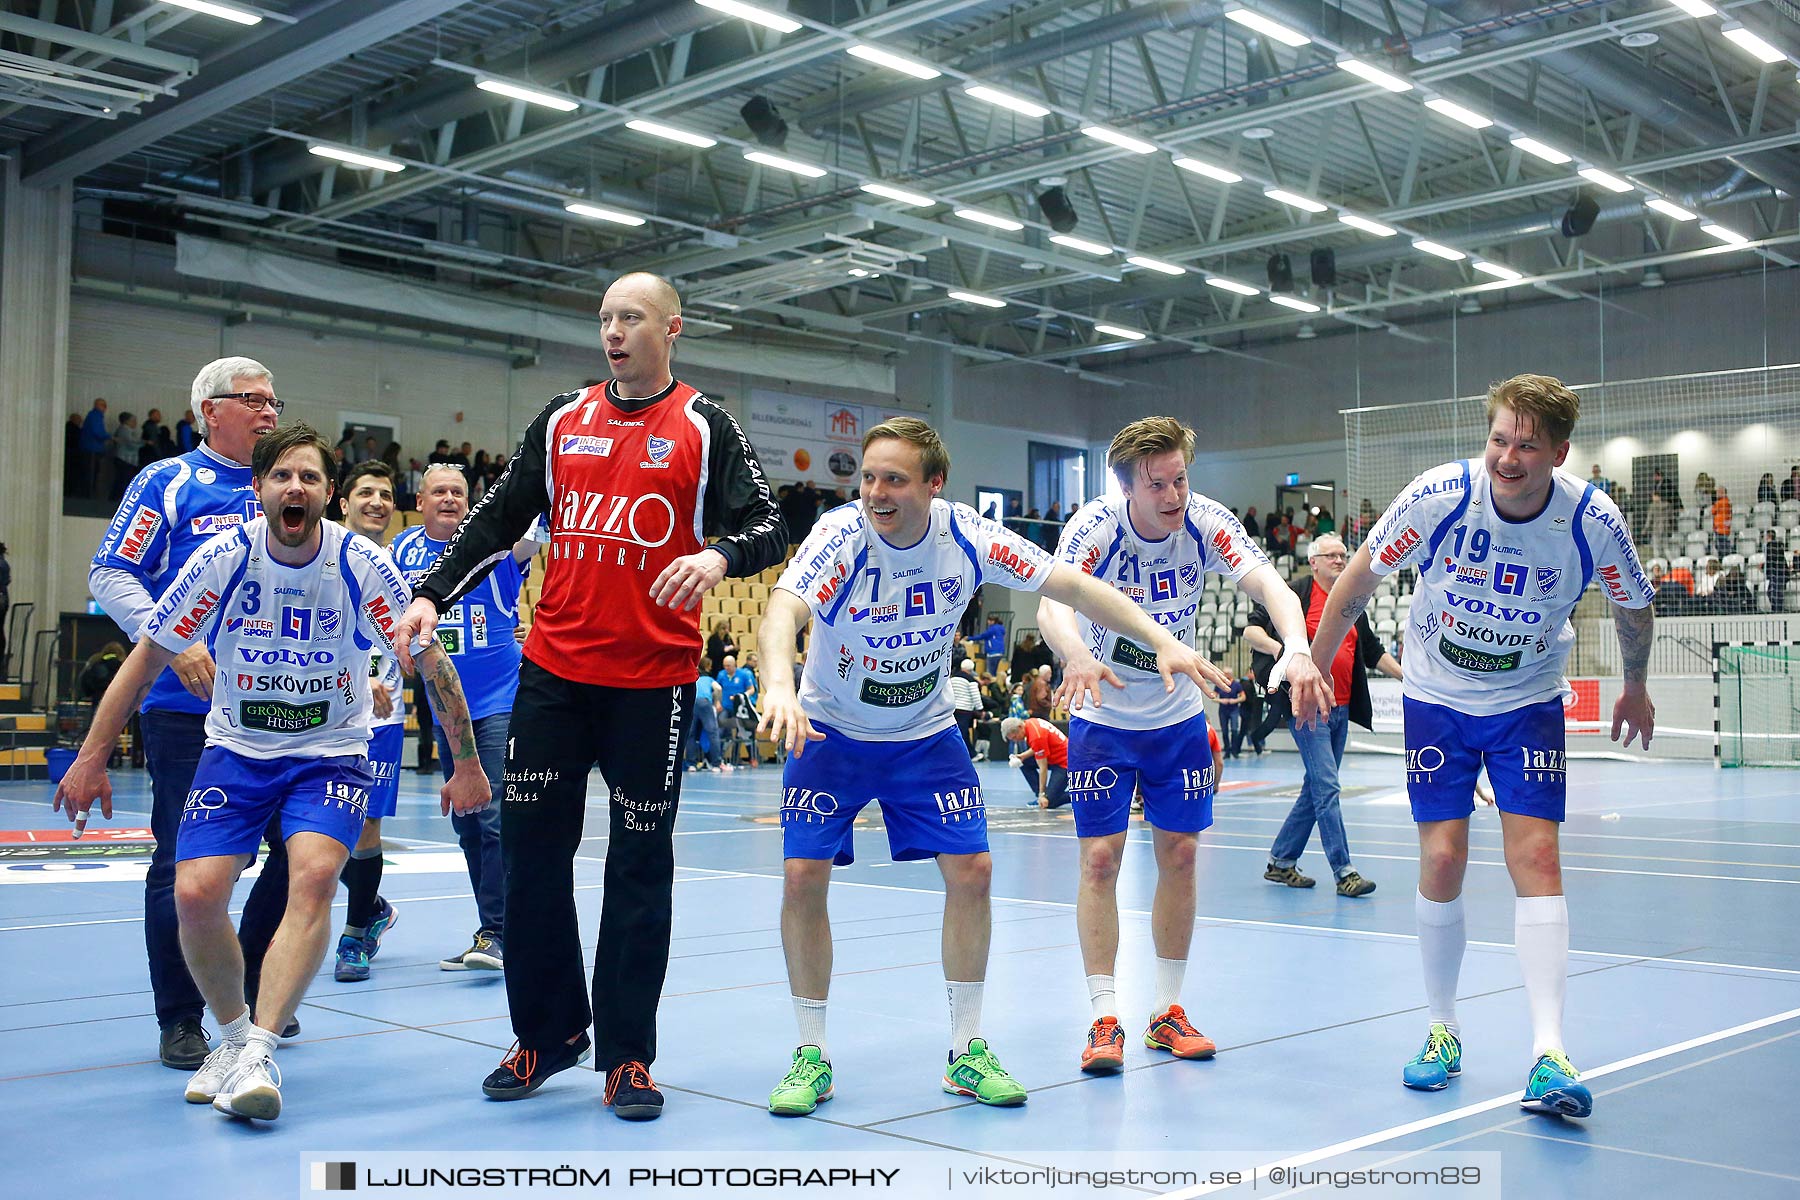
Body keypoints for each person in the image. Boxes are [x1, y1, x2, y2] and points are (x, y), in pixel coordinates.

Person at [391, 271, 785, 1120]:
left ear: (670, 328)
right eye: (605, 317)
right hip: (556, 677)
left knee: (639, 867)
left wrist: (718, 557)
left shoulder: (704, 425)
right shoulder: (564, 419)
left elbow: (770, 524)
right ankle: (545, 1035)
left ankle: (629, 1056)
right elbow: (496, 517)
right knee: (531, 859)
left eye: (631, 317)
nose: (614, 330)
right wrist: (431, 591)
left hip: (655, 687)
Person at [755, 415, 1220, 1117]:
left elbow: (1078, 588)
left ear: (933, 484)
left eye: (894, 479)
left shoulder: (966, 535)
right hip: (833, 730)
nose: (876, 493)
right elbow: (780, 612)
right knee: (801, 876)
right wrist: (779, 685)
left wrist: (1162, 641)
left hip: (924, 732)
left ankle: (966, 1049)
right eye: (869, 477)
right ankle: (810, 1053)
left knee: (974, 872)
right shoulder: (842, 534)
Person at [56, 423, 490, 1122]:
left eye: (310, 478)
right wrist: (91, 756)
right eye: (282, 476)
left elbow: (431, 661)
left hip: (330, 752)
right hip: (237, 748)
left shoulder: (359, 564)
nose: (296, 488)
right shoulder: (224, 558)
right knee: (194, 895)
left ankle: (257, 1048)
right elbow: (145, 657)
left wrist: (465, 762)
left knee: (314, 875)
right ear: (257, 490)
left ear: (327, 494)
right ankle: (229, 1038)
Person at [1311, 372, 1656, 1119]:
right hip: (1436, 696)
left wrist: (1634, 683)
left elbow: (1634, 605)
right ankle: (1442, 1029)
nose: (1507, 456)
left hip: (1527, 697)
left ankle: (1548, 1052)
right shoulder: (1439, 496)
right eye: (1500, 438)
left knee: (1536, 856)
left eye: (1526, 445)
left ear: (1559, 453)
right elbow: (1359, 582)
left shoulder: (1592, 521)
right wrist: (1314, 667)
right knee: (1441, 857)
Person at [1038, 415, 1331, 1074]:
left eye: (1180, 479)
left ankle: (1166, 1011)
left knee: (1181, 856)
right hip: (1104, 715)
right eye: (1157, 485)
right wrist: (1077, 651)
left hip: (1174, 717)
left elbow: (1271, 588)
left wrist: (1300, 646)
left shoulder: (1203, 520)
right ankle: (1103, 1016)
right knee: (1100, 864)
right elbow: (1050, 603)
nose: (1173, 496)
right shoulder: (1095, 527)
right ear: (1126, 490)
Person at [87, 357, 299, 1070]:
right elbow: (111, 570)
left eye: (274, 401)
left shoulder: (288, 486)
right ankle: (181, 1017)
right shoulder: (168, 482)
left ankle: (255, 990)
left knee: (299, 855)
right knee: (186, 862)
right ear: (212, 410)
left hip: (283, 707)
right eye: (254, 401)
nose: (269, 412)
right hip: (186, 711)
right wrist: (173, 639)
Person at [390, 463, 540, 972]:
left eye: (458, 491)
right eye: (440, 492)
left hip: (500, 698)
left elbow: (537, 522)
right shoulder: (403, 553)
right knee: (467, 823)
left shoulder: (499, 542)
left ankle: (502, 932)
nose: (450, 499)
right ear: (420, 499)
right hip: (443, 707)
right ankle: (494, 930)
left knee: (495, 815)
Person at [1245, 533, 1399, 896]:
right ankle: (1344, 871)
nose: (1340, 561)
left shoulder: (1349, 602)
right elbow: (1251, 631)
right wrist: (1287, 649)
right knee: (1328, 785)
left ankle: (1281, 862)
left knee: (1314, 787)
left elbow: (1373, 652)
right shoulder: (1294, 595)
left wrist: (1411, 679)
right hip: (1307, 707)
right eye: (1331, 556)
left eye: (1344, 555)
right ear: (1313, 561)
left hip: (1341, 708)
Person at [328, 462, 406, 983]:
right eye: (365, 493)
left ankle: (356, 933)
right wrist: (356, 679)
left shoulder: (401, 566)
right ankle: (372, 902)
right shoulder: (323, 556)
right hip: (322, 715)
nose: (376, 501)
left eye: (385, 494)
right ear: (343, 502)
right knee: (312, 836)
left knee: (365, 829)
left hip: (383, 718)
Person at [1001, 716, 1069, 808]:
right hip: (1055, 756)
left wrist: (1042, 794)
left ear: (1020, 727)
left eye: (1015, 737)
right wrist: (1023, 756)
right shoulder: (1030, 723)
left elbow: (1043, 768)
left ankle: (1078, 793)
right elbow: (1038, 747)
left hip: (1065, 763)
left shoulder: (1036, 736)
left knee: (1049, 803)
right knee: (1022, 762)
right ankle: (1042, 796)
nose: (1015, 741)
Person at [690, 657, 724, 771]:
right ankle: (716, 764)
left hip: (693, 703)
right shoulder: (709, 679)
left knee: (691, 734)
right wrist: (717, 701)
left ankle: (691, 764)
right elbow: (718, 688)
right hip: (705, 703)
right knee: (713, 733)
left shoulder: (694, 679)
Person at [949, 658, 984, 758]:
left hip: (954, 709)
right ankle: (966, 755)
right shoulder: (971, 680)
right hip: (965, 710)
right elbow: (975, 695)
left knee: (959, 732)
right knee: (963, 733)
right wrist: (980, 709)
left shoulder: (952, 678)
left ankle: (967, 754)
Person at [1215, 675, 1244, 758]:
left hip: (1234, 709)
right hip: (1223, 710)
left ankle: (1234, 750)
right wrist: (1221, 700)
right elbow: (1213, 697)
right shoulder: (1219, 684)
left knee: (1234, 730)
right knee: (1224, 731)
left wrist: (1234, 701)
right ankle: (1227, 750)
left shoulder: (1237, 685)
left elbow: (1243, 697)